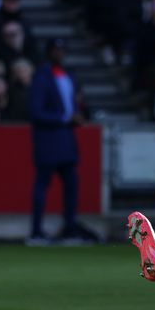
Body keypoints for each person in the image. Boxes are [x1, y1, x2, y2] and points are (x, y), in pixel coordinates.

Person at [27, 38, 98, 245]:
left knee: (71, 185)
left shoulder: (69, 76)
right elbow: (36, 111)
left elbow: (77, 104)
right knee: (43, 185)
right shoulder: (42, 77)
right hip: (49, 139)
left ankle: (69, 228)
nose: (60, 54)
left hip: (66, 139)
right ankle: (36, 231)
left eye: (62, 50)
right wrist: (65, 118)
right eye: (56, 50)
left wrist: (81, 113)